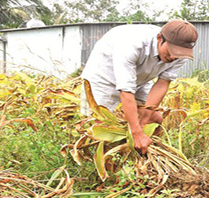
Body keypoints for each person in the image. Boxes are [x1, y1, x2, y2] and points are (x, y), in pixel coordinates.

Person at [80, 20, 198, 154]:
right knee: (101, 126)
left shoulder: (180, 56)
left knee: (154, 119)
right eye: (171, 51)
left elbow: (162, 83)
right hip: (104, 76)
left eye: (178, 54)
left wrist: (144, 122)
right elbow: (126, 90)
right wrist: (136, 133)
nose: (173, 57)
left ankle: (138, 160)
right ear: (160, 38)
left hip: (140, 78)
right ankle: (94, 160)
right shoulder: (132, 44)